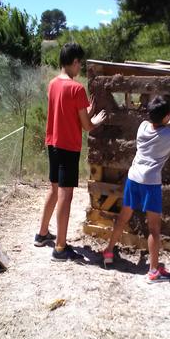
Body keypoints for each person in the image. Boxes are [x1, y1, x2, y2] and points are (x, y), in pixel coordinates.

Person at [102, 95, 170, 283]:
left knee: (123, 217)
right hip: (150, 183)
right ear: (165, 117)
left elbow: (158, 129)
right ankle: (154, 271)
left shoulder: (143, 126)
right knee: (154, 228)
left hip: (133, 177)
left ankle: (108, 251)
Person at [34, 42, 106, 261]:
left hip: (53, 144)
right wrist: (97, 119)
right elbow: (87, 126)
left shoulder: (53, 84)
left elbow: (68, 112)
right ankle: (60, 248)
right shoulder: (76, 88)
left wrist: (86, 111)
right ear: (74, 62)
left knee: (54, 190)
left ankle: (42, 234)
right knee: (66, 195)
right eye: (79, 64)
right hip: (68, 147)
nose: (80, 68)